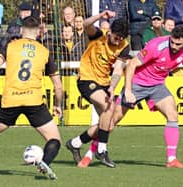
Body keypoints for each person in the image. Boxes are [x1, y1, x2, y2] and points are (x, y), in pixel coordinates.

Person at [0, 16, 63, 180]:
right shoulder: (44, 52)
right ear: (39, 32)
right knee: (54, 139)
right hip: (34, 101)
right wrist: (57, 104)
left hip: (10, 99)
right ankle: (46, 163)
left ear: (21, 31)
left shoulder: (11, 46)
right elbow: (58, 85)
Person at [112, 25, 183, 168]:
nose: (173, 46)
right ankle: (89, 150)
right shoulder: (157, 45)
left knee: (173, 115)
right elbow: (131, 65)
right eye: (172, 42)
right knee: (112, 120)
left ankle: (171, 160)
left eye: (178, 44)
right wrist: (128, 90)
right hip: (137, 83)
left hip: (157, 85)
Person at [65, 10, 130, 168]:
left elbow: (117, 70)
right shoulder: (98, 34)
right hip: (86, 79)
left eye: (121, 38)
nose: (118, 41)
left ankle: (75, 143)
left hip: (104, 82)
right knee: (108, 107)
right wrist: (101, 16)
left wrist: (113, 87)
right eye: (116, 37)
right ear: (111, 33)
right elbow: (85, 24)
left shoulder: (124, 47)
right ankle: (102, 150)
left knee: (108, 124)